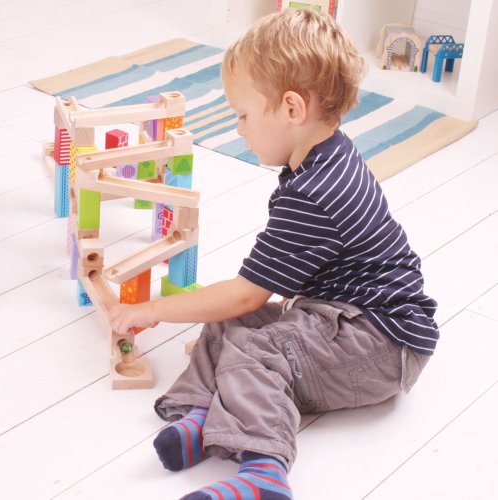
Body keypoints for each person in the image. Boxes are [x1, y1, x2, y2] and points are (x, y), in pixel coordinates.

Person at [108, 8, 439, 500]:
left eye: (243, 115)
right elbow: (245, 304)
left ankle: (264, 471)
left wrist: (152, 310)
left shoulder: (315, 193)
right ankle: (202, 414)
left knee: (259, 348)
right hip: (340, 319)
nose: (239, 128)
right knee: (228, 325)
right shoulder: (324, 155)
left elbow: (246, 294)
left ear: (291, 108)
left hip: (382, 345)